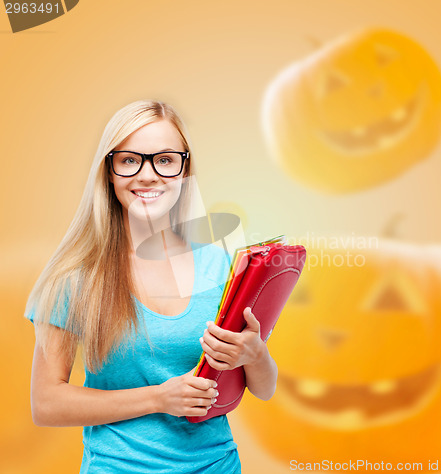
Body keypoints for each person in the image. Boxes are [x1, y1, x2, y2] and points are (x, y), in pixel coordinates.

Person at [25, 99, 278, 473]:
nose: (147, 175)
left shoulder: (220, 264)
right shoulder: (75, 276)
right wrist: (160, 398)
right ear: (109, 172)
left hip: (217, 464)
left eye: (164, 159)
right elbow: (46, 404)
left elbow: (264, 388)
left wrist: (254, 355)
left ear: (183, 169)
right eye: (129, 160)